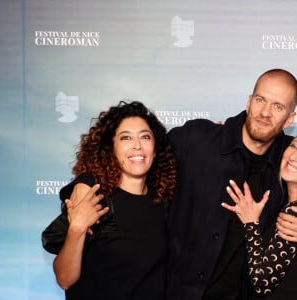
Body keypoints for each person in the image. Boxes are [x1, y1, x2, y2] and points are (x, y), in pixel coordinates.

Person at [166, 69, 297, 300]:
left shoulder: (288, 159)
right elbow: (137, 156)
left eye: (278, 106)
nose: (265, 112)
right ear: (249, 102)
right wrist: (85, 183)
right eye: (260, 100)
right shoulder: (198, 139)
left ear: (289, 119)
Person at [42, 101, 177, 300]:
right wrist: (77, 228)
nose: (137, 145)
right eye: (126, 138)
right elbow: (65, 279)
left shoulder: (163, 203)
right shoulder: (93, 199)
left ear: (155, 149)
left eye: (145, 137)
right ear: (111, 149)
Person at [222, 137, 297, 299]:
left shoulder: (294, 212)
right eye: (293, 146)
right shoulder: (284, 203)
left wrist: (251, 224)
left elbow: (262, 281)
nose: (294, 156)